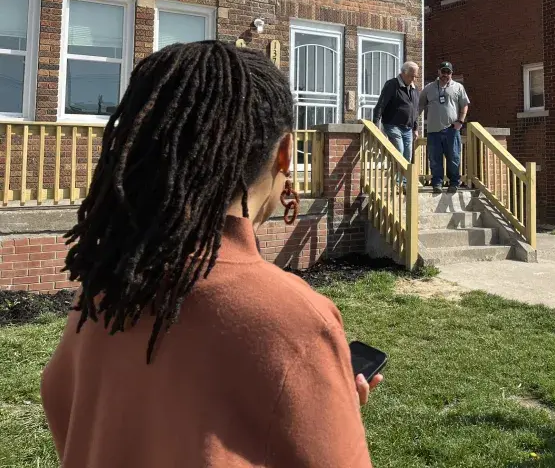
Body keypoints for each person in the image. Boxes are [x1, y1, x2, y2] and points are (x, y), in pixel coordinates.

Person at [41, 42, 381, 468]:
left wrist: (315, 404)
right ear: (284, 153)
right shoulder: (297, 323)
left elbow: (71, 413)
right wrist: (333, 411)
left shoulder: (103, 292)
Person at [419, 61, 469, 194]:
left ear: (451, 74)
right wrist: (413, 123)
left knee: (454, 157)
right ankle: (437, 183)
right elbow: (419, 105)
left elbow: (464, 104)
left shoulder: (458, 87)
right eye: (443, 71)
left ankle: (454, 183)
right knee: (435, 159)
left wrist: (460, 121)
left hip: (451, 130)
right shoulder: (429, 88)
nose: (445, 74)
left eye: (448, 72)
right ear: (438, 72)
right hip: (433, 130)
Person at [372, 61, 420, 170]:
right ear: (403, 73)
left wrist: (416, 128)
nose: (413, 79)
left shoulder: (414, 89)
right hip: (393, 125)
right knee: (399, 151)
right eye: (411, 76)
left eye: (415, 76)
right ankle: (396, 181)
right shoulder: (392, 85)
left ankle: (403, 182)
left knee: (407, 156)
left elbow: (415, 109)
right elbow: (381, 104)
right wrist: (376, 124)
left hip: (408, 128)